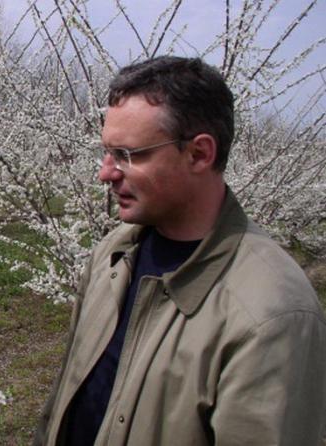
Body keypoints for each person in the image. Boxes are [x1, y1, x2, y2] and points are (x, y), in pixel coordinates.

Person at [35, 56, 326, 445]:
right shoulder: (113, 253)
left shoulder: (271, 315)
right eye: (107, 152)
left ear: (199, 154)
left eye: (128, 155)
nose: (105, 172)